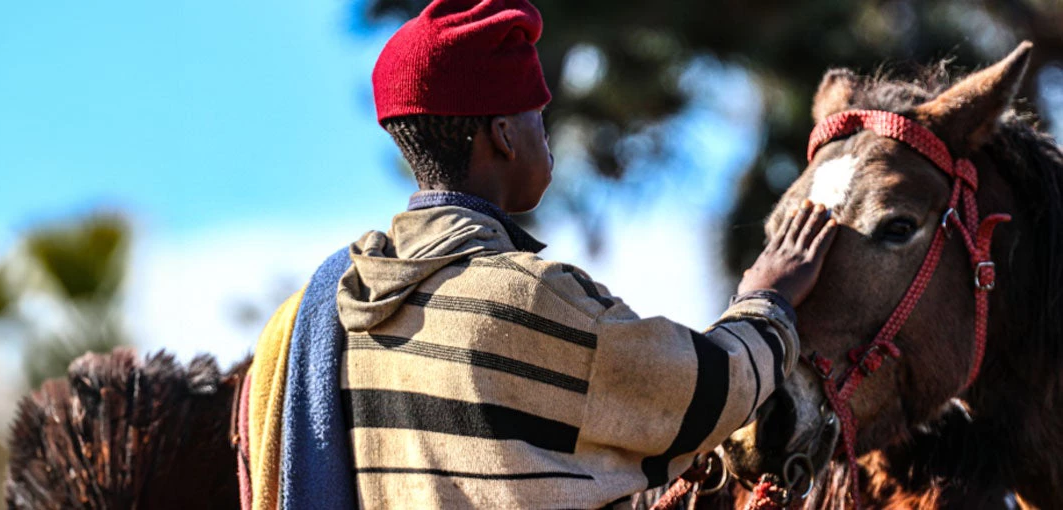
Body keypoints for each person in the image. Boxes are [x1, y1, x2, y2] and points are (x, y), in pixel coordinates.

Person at [244, 0, 837, 508]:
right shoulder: (527, 298)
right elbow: (708, 395)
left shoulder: (338, 310)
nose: (545, 136)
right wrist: (769, 296)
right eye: (537, 119)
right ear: (503, 135)